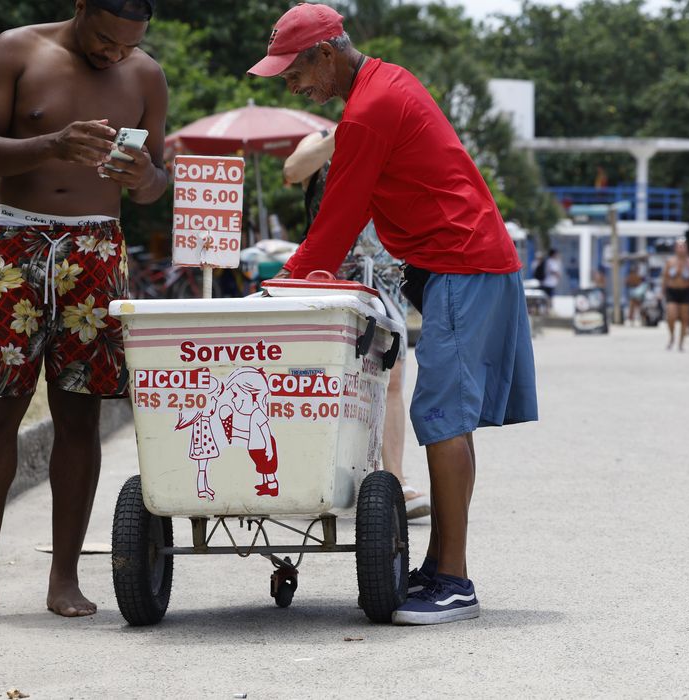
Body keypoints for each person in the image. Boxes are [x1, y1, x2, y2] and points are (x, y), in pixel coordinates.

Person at [249, 2, 537, 625]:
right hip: (461, 264)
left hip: (463, 263)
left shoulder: (370, 110)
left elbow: (339, 219)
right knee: (447, 418)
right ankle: (440, 568)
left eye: (294, 72)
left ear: (326, 53)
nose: (292, 85)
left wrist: (284, 283)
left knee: (441, 416)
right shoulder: (383, 82)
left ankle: (455, 582)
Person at [0, 0, 168, 625]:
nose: (115, 54)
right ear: (81, 7)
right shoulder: (17, 49)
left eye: (128, 45)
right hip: (17, 242)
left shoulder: (145, 76)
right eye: (106, 40)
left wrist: (143, 175)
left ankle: (64, 579)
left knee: (80, 415)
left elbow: (154, 184)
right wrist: (54, 144)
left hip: (97, 246)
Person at [281, 127, 431, 519]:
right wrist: (342, 135)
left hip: (381, 275)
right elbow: (293, 170)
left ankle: (393, 478)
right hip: (329, 274)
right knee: (325, 377)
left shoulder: (388, 143)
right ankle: (317, 476)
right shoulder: (320, 137)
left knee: (392, 374)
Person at [660, 238, 689, 351]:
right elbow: (665, 278)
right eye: (679, 246)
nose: (681, 248)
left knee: (685, 318)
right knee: (671, 316)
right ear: (675, 248)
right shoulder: (670, 262)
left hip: (686, 291)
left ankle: (681, 342)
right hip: (672, 291)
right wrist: (661, 292)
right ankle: (672, 336)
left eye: (683, 246)